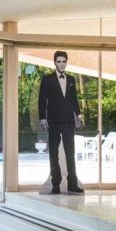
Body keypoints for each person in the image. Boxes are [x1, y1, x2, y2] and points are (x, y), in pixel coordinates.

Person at [38, 51, 84, 194]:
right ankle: (56, 184)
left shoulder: (71, 79)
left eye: (64, 61)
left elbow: (74, 99)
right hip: (53, 121)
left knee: (70, 152)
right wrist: (42, 118)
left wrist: (79, 115)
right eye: (59, 61)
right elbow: (42, 99)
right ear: (54, 63)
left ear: (66, 62)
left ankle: (72, 184)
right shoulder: (47, 79)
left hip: (68, 121)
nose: (62, 64)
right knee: (53, 153)